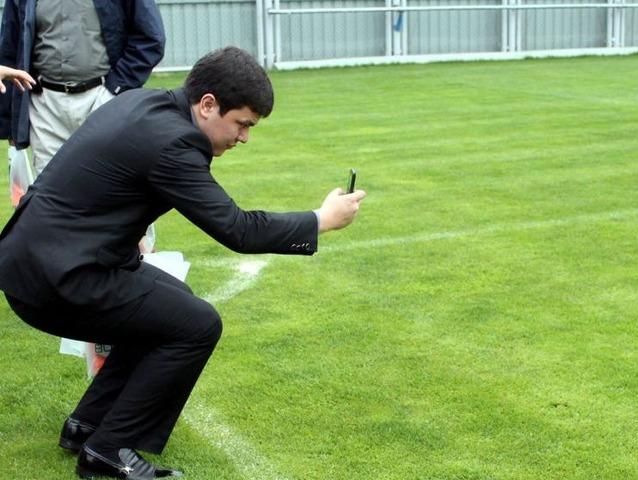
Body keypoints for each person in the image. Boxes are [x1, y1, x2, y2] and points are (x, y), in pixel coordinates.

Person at [0, 46, 367, 479]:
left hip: (40, 259)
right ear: (208, 104)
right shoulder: (174, 142)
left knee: (172, 303)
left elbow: (101, 178)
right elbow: (238, 229)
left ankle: (88, 424)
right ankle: (107, 451)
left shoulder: (144, 101)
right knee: (197, 324)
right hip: (55, 279)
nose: (245, 137)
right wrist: (319, 221)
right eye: (243, 124)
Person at [0, 0, 165, 174]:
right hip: (45, 109)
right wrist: (9, 123)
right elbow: (9, 49)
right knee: (49, 194)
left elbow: (151, 38)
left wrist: (116, 88)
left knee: (106, 186)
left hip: (102, 101)